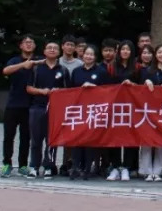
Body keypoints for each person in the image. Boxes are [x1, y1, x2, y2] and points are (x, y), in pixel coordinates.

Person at [1, 35, 42, 177]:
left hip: (30, 105)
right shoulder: (15, 60)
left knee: (26, 137)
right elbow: (5, 71)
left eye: (32, 42)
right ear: (21, 46)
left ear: (35, 45)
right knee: (9, 135)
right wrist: (23, 65)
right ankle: (7, 163)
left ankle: (23, 164)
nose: (29, 44)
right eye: (26, 42)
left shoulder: (39, 61)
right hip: (13, 104)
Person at [26, 41, 68, 178]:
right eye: (49, 48)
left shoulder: (63, 70)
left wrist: (59, 91)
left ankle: (49, 166)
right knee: (36, 139)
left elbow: (69, 91)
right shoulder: (36, 68)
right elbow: (28, 88)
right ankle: (34, 166)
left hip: (55, 109)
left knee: (51, 140)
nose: (52, 50)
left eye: (55, 48)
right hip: (37, 107)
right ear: (44, 51)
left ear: (59, 52)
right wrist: (41, 91)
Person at [68, 45, 104, 180]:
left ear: (95, 57)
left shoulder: (101, 71)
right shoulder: (76, 71)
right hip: (79, 110)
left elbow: (107, 91)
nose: (88, 56)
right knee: (78, 138)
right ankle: (76, 166)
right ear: (83, 55)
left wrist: (94, 87)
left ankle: (88, 167)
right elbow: (70, 91)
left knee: (90, 140)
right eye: (86, 54)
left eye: (91, 54)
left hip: (94, 110)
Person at [107, 40, 139, 181]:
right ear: (119, 51)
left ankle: (126, 167)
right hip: (115, 107)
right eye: (123, 49)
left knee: (130, 137)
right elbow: (106, 87)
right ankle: (115, 167)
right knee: (114, 137)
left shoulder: (137, 67)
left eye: (128, 49)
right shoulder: (111, 67)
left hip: (132, 108)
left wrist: (132, 85)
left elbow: (141, 87)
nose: (125, 51)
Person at [139, 44, 162, 181]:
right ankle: (146, 170)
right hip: (149, 109)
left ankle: (158, 170)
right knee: (146, 140)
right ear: (155, 55)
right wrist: (146, 82)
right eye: (159, 52)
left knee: (160, 141)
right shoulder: (146, 71)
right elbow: (138, 89)